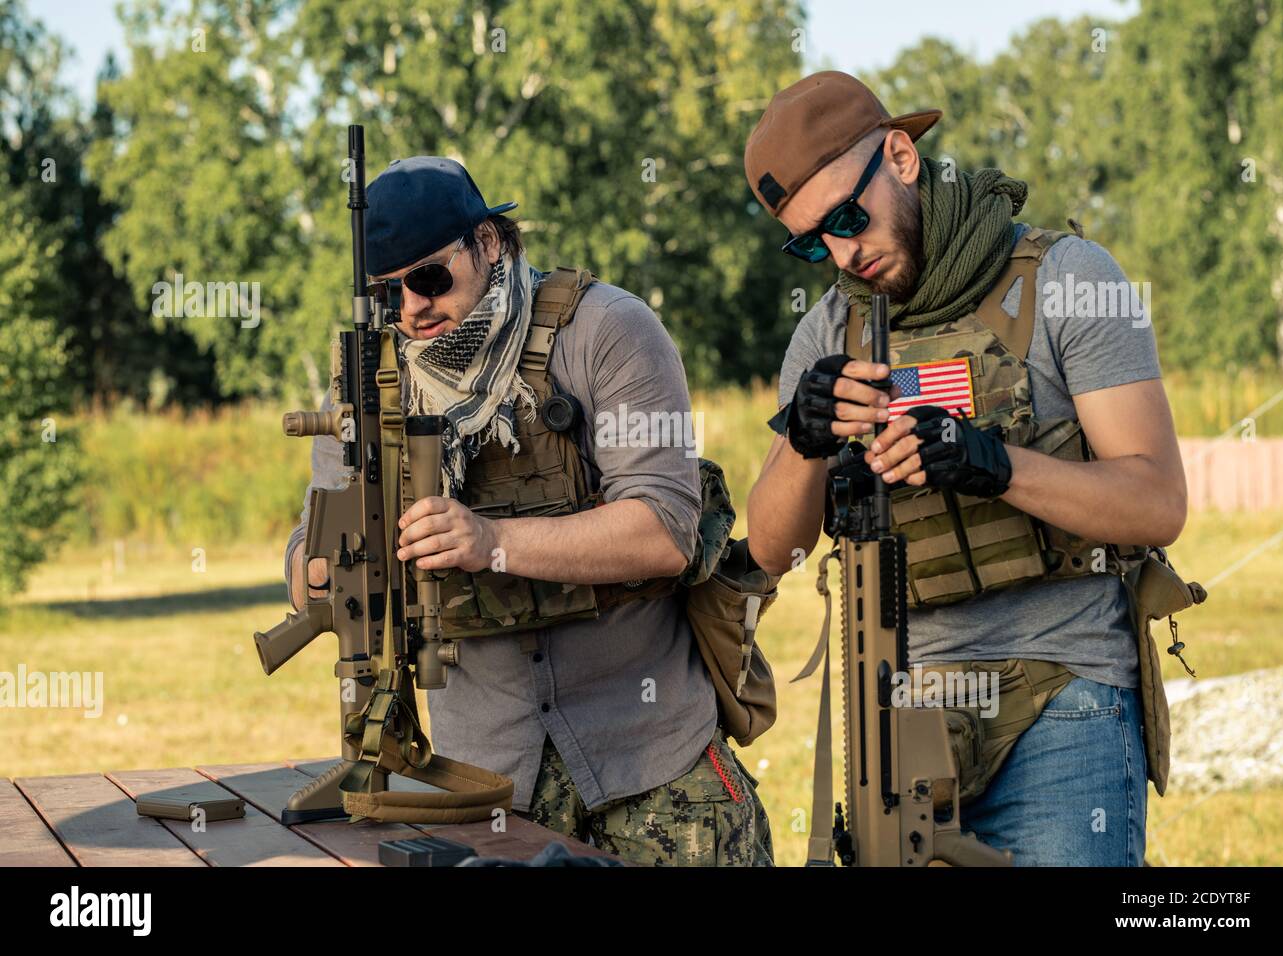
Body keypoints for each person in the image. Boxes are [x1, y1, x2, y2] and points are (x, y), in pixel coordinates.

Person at [743, 71, 1188, 866]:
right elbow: (774, 553)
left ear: (903, 158)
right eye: (814, 241)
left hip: (1064, 692)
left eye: (849, 217)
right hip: (904, 711)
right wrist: (804, 442)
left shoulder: (1068, 279)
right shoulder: (827, 332)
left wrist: (993, 463)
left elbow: (1156, 502)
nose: (844, 253)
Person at [284, 155, 771, 865]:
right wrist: (319, 569)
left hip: (653, 766)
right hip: (487, 786)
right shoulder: (369, 383)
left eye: (427, 278)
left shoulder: (609, 330)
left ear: (488, 243)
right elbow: (307, 558)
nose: (413, 310)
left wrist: (491, 542)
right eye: (388, 294)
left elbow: (665, 528)